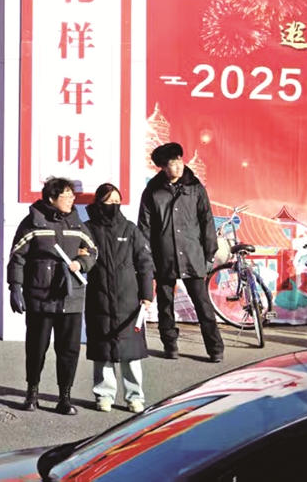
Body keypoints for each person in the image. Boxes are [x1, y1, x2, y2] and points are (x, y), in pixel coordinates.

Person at [8, 176, 95, 415]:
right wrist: (15, 287)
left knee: (69, 350)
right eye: (66, 196)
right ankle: (32, 393)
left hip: (71, 296)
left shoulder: (77, 223)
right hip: (40, 296)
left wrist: (81, 263)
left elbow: (93, 251)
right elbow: (17, 257)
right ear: (51, 198)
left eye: (72, 196)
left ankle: (64, 398)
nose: (71, 200)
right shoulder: (33, 222)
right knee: (36, 347)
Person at [138, 142, 224, 362]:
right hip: (164, 255)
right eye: (170, 163)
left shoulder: (195, 188)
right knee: (165, 305)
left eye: (178, 161)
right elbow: (144, 227)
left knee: (203, 304)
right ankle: (170, 345)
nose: (176, 166)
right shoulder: (152, 191)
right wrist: (147, 259)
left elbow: (207, 221)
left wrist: (209, 254)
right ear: (162, 167)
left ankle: (215, 348)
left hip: (192, 254)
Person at [85, 183, 154, 414]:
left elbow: (145, 263)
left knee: (130, 351)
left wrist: (146, 294)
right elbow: (81, 258)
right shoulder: (88, 229)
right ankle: (103, 395)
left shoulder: (130, 229)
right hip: (99, 297)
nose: (113, 205)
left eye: (117, 201)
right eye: (109, 201)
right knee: (103, 350)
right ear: (99, 202)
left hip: (129, 299)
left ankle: (134, 396)